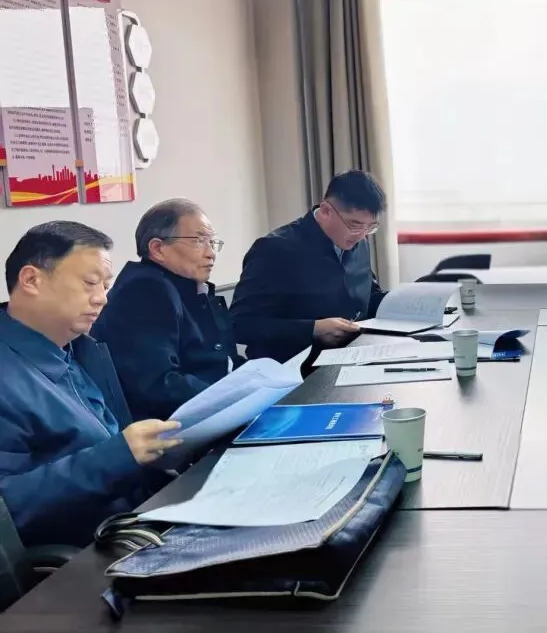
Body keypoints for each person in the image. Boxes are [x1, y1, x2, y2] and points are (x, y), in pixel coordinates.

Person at [0, 222, 181, 547]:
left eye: (105, 286)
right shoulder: (8, 373)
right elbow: (8, 508)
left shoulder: (80, 349)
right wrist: (117, 456)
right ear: (31, 280)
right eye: (90, 283)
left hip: (135, 518)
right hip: (89, 550)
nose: (102, 299)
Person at [91, 199, 241, 420]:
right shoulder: (145, 290)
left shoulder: (187, 287)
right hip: (172, 426)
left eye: (212, 242)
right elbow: (158, 384)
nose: (211, 253)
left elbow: (217, 358)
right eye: (199, 241)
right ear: (158, 248)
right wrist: (233, 398)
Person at [231, 170, 388, 363]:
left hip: (350, 358)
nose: (362, 235)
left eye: (371, 227)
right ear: (326, 210)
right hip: (292, 369)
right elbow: (240, 324)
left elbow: (367, 296)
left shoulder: (359, 243)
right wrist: (313, 329)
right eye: (354, 225)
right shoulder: (274, 249)